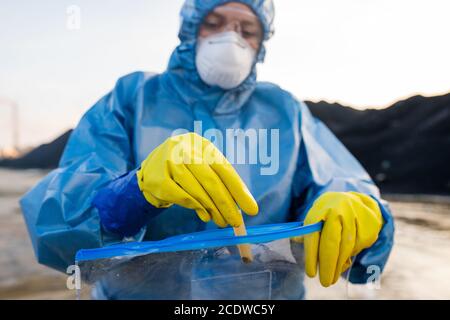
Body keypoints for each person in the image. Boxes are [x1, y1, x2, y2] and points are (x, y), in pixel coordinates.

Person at [21, 0, 394, 298]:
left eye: (247, 30)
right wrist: (135, 193)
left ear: (260, 44)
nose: (230, 38)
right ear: (190, 28)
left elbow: (339, 181)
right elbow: (56, 227)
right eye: (215, 23)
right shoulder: (132, 98)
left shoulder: (285, 111)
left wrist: (360, 212)